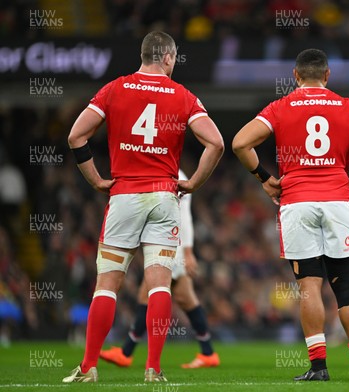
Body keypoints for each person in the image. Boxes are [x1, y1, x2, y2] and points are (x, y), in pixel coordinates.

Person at [63, 31, 224, 383]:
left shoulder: (115, 88)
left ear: (143, 54)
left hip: (123, 195)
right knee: (160, 286)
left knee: (107, 284)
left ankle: (89, 368)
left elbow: (76, 135)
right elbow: (216, 142)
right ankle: (153, 368)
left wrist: (95, 179)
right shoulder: (183, 96)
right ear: (167, 57)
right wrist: (194, 182)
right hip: (166, 197)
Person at [232, 49, 349, 382]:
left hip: (297, 201)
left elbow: (239, 144)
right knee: (346, 288)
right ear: (328, 75)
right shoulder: (347, 106)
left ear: (295, 76)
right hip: (337, 201)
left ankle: (319, 368)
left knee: (309, 286)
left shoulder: (280, 107)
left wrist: (264, 179)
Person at [99, 170, 220, 369]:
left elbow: (185, 215)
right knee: (184, 297)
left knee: (148, 292)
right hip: (171, 242)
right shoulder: (166, 171)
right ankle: (208, 352)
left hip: (173, 244)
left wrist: (188, 251)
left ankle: (126, 352)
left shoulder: (176, 176)